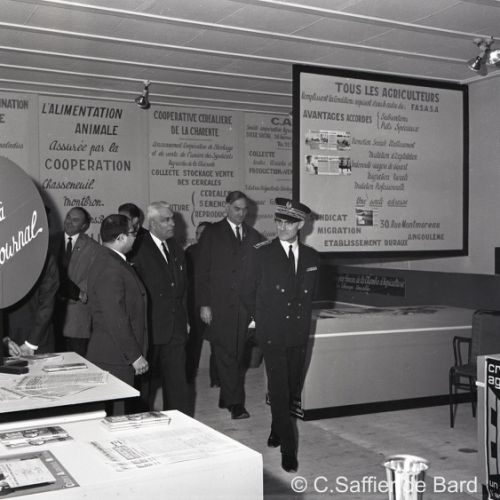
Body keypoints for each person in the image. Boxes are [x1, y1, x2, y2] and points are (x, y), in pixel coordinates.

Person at [241, 198, 319, 473]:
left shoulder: (312, 257)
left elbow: (312, 295)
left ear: (301, 224)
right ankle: (288, 450)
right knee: (279, 388)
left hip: (298, 334)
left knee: (292, 388)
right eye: (279, 222)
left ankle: (276, 429)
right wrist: (260, 321)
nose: (283, 227)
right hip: (272, 333)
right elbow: (247, 291)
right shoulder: (261, 253)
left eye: (289, 223)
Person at [196, 191, 264, 419]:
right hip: (219, 306)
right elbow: (202, 271)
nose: (241, 213)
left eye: (244, 210)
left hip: (244, 308)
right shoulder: (212, 233)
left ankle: (226, 396)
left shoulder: (253, 236)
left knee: (238, 354)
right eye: (236, 209)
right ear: (226, 207)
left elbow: (258, 273)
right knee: (226, 353)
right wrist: (204, 304)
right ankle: (236, 405)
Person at [132, 201, 191, 415]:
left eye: (172, 219)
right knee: (144, 386)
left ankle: (179, 423)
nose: (172, 223)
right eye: (166, 220)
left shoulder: (175, 247)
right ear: (153, 223)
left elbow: (183, 287)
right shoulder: (138, 248)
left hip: (175, 328)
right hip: (150, 329)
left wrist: (186, 319)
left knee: (177, 384)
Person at [86, 214, 148, 390]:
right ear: (121, 238)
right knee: (116, 407)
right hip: (115, 358)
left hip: (115, 355)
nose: (135, 237)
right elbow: (115, 317)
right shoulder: (110, 266)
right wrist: (135, 356)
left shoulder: (110, 260)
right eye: (132, 233)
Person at [51, 207, 100, 356]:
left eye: (75, 220)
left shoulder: (93, 248)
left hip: (77, 317)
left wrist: (78, 294)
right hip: (51, 316)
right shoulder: (50, 241)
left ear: (84, 226)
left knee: (77, 361)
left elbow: (94, 279)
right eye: (68, 217)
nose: (69, 222)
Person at [4, 251, 59, 356]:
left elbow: (47, 305)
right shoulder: (45, 257)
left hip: (35, 344)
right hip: (33, 342)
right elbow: (46, 306)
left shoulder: (46, 258)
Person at [185, 221, 216, 384]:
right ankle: (188, 377)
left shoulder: (219, 252)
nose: (198, 236)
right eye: (197, 233)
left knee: (217, 343)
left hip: (216, 305)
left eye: (202, 233)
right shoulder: (190, 251)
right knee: (193, 343)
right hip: (195, 305)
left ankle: (216, 378)